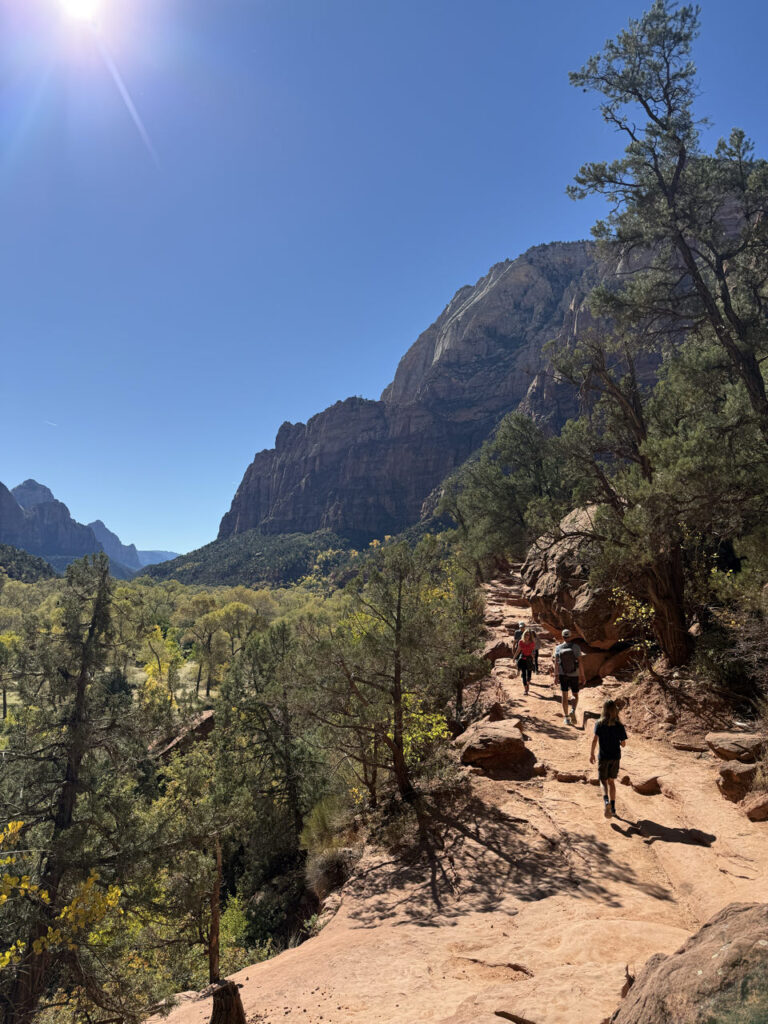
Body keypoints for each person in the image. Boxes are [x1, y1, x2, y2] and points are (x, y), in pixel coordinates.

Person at [590, 700, 628, 818]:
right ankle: (613, 808)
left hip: (603, 757)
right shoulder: (619, 725)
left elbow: (594, 740)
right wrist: (618, 741)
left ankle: (606, 802)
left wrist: (591, 754)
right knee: (611, 782)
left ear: (604, 710)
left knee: (603, 781)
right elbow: (623, 744)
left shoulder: (599, 724)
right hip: (615, 757)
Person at [553, 629, 584, 726]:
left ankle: (566, 718)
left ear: (562, 637)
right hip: (574, 674)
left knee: (564, 695)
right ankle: (573, 710)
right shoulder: (576, 647)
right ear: (571, 637)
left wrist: (556, 676)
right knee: (575, 694)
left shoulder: (558, 648)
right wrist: (582, 675)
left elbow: (556, 663)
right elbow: (580, 662)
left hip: (563, 674)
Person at [516, 628, 536, 695]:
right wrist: (514, 657)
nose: (527, 636)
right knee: (524, 675)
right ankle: (525, 689)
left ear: (530, 636)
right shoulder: (521, 642)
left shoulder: (532, 643)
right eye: (526, 634)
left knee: (529, 675)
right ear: (524, 635)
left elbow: (533, 652)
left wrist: (533, 658)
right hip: (523, 659)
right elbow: (518, 650)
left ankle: (528, 684)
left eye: (529, 635)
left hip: (529, 659)